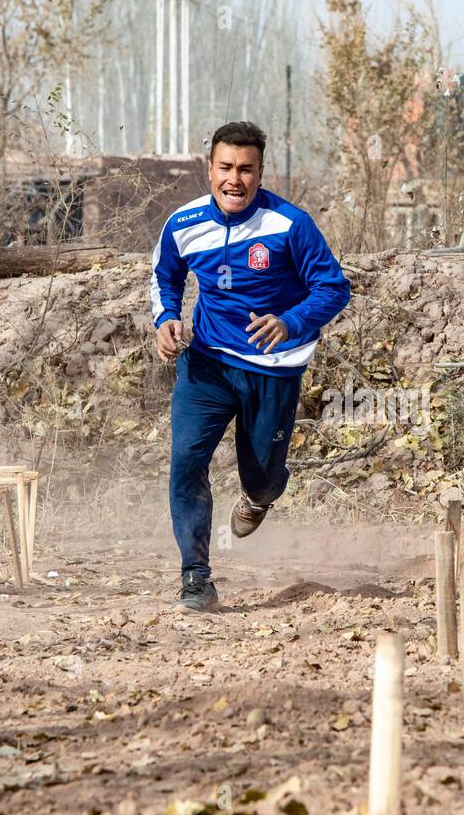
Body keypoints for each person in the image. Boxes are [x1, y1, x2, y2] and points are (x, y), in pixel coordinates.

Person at [150, 120, 351, 612]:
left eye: (246, 169)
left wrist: (290, 321)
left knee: (260, 476)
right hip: (207, 365)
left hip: (273, 370)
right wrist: (165, 318)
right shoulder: (183, 223)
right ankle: (195, 576)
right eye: (225, 168)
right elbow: (165, 275)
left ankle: (260, 495)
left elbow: (333, 288)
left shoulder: (290, 225)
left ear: (261, 172)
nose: (234, 180)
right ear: (210, 168)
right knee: (186, 463)